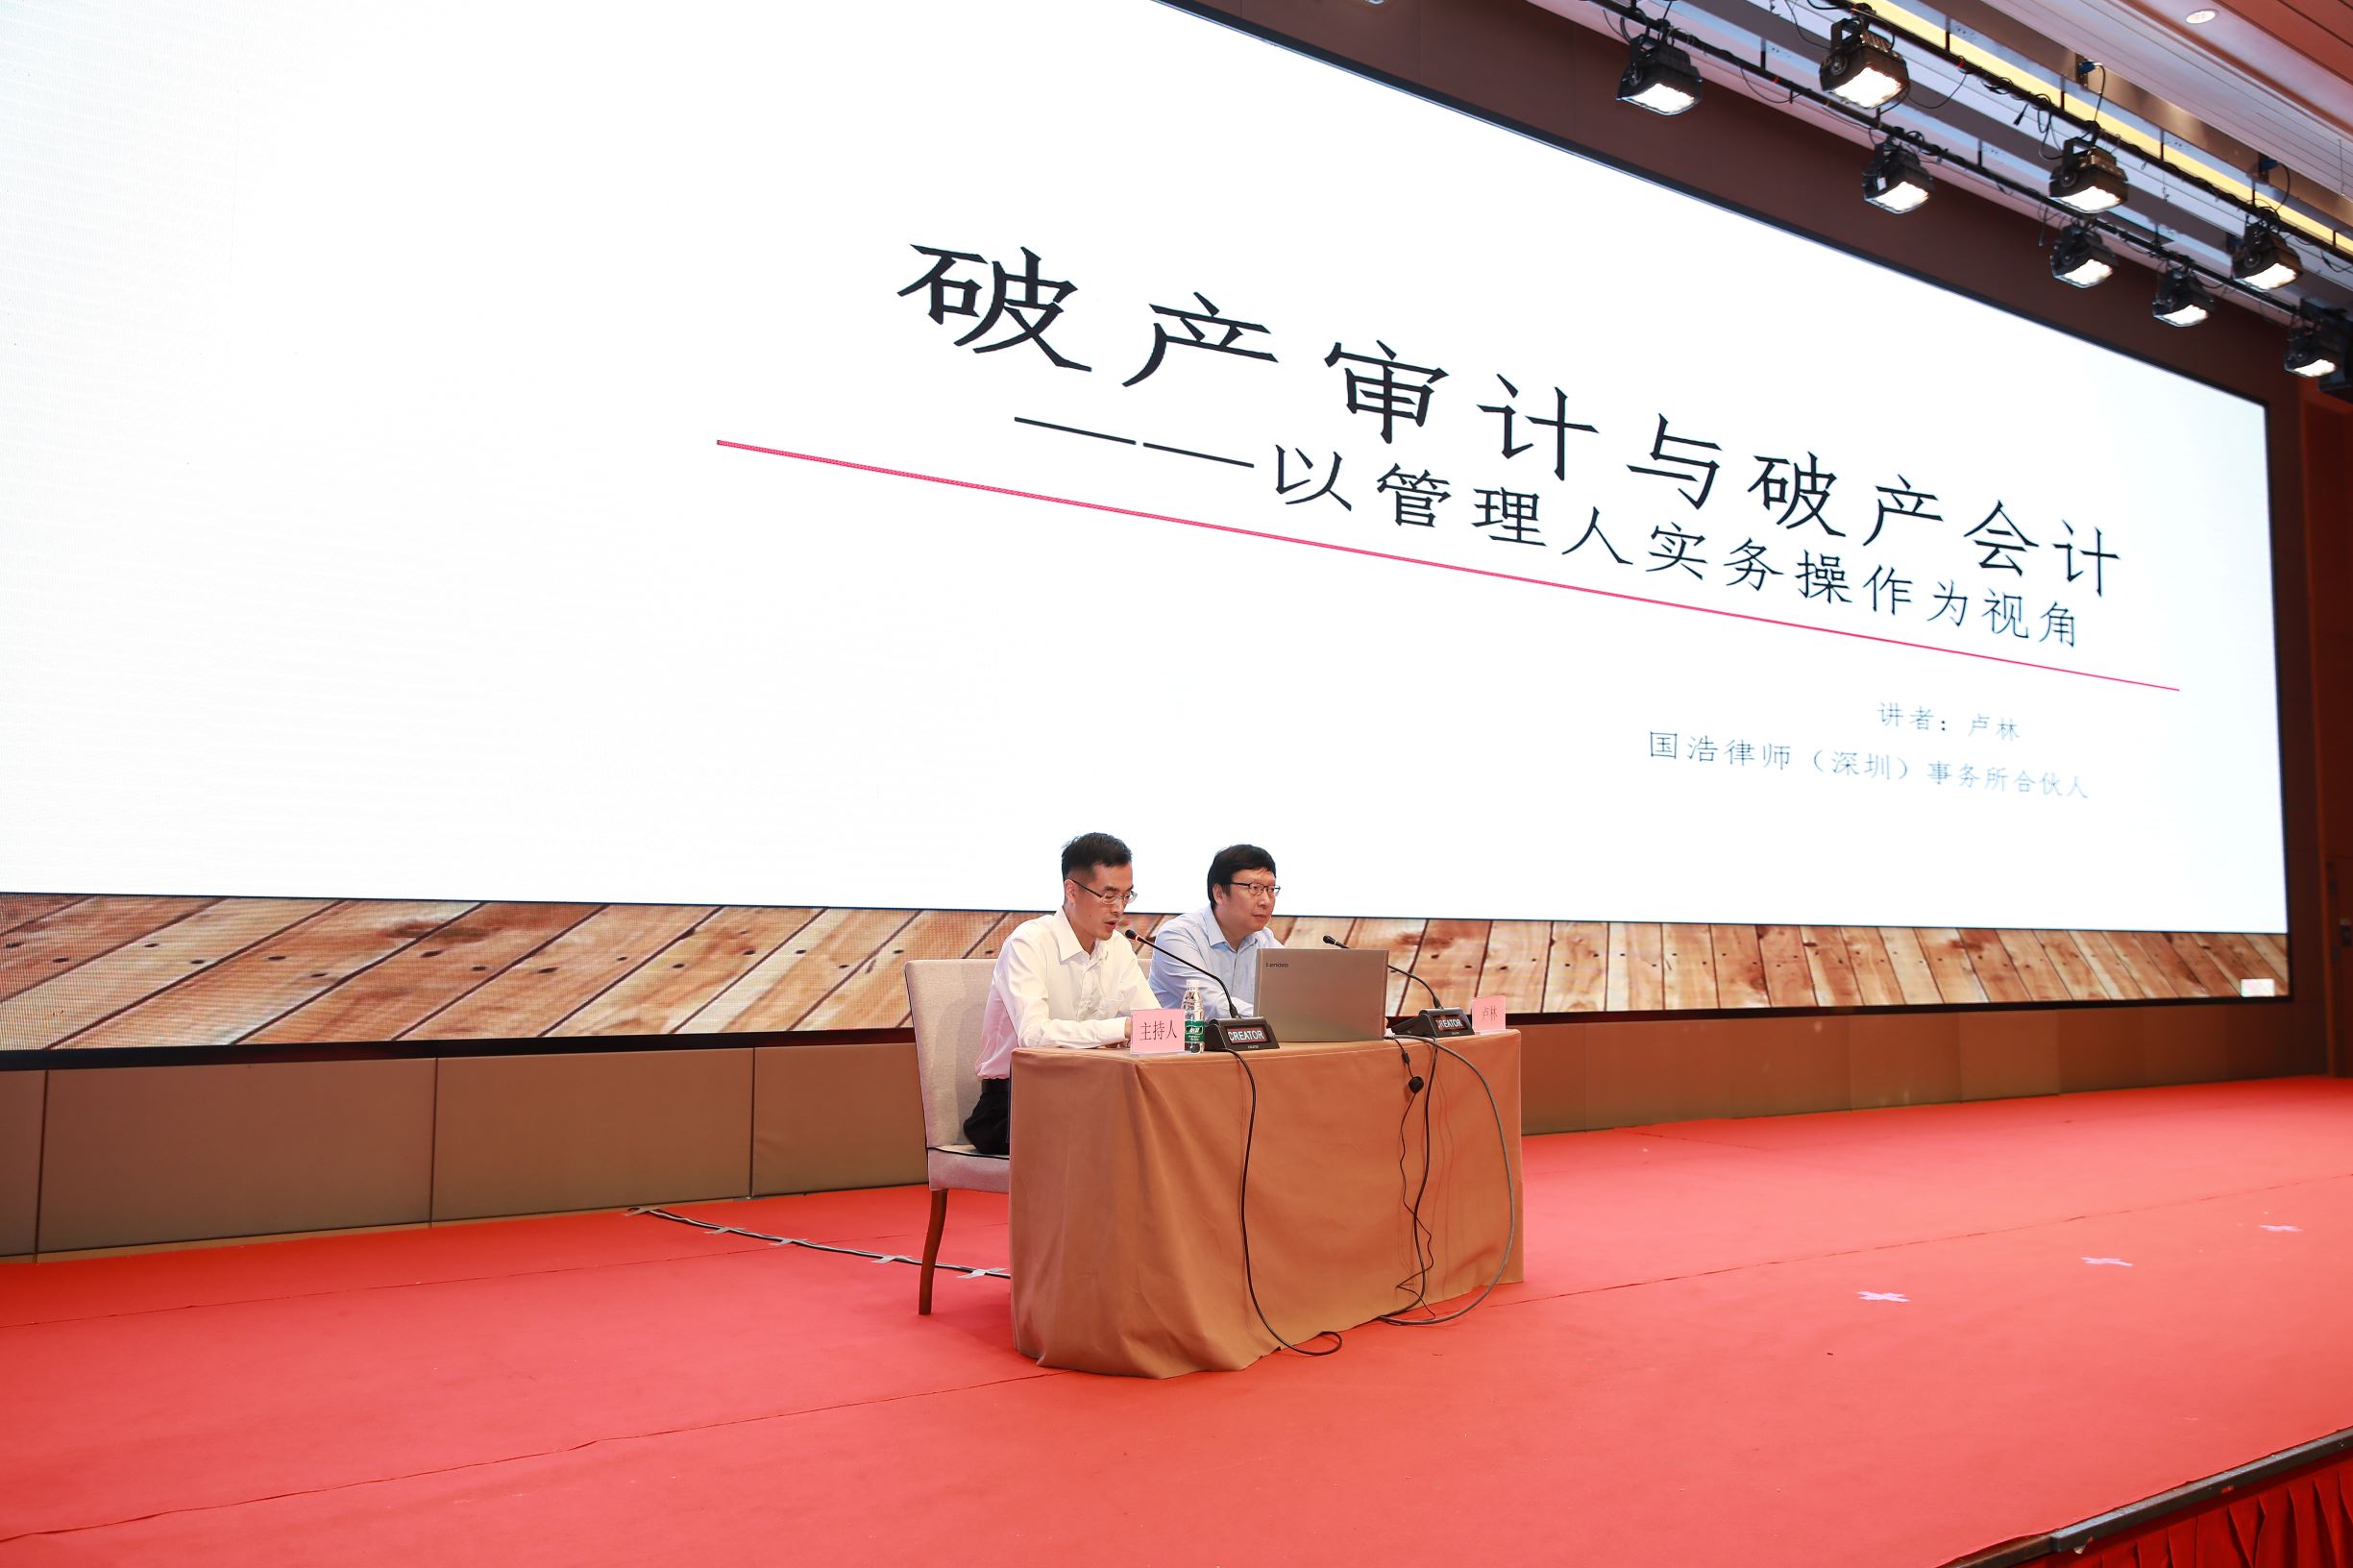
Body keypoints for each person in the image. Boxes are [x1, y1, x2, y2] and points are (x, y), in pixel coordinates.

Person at [963, 831, 1160, 1158]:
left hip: (1094, 1091)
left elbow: (1152, 1023)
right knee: (1122, 1142)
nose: (1119, 909)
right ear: (1071, 890)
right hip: (1016, 1102)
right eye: (1108, 896)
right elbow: (1034, 1036)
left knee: (1163, 1128)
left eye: (1127, 896)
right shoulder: (1029, 943)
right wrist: (1121, 1029)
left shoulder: (1119, 948)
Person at [1147, 844, 1284, 1019]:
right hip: (1185, 1037)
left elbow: (1296, 994)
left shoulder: (1265, 941)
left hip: (1245, 1037)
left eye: (1271, 890)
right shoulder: (1177, 936)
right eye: (1254, 888)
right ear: (1219, 893)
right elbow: (1212, 1005)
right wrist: (1279, 1018)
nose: (1266, 901)